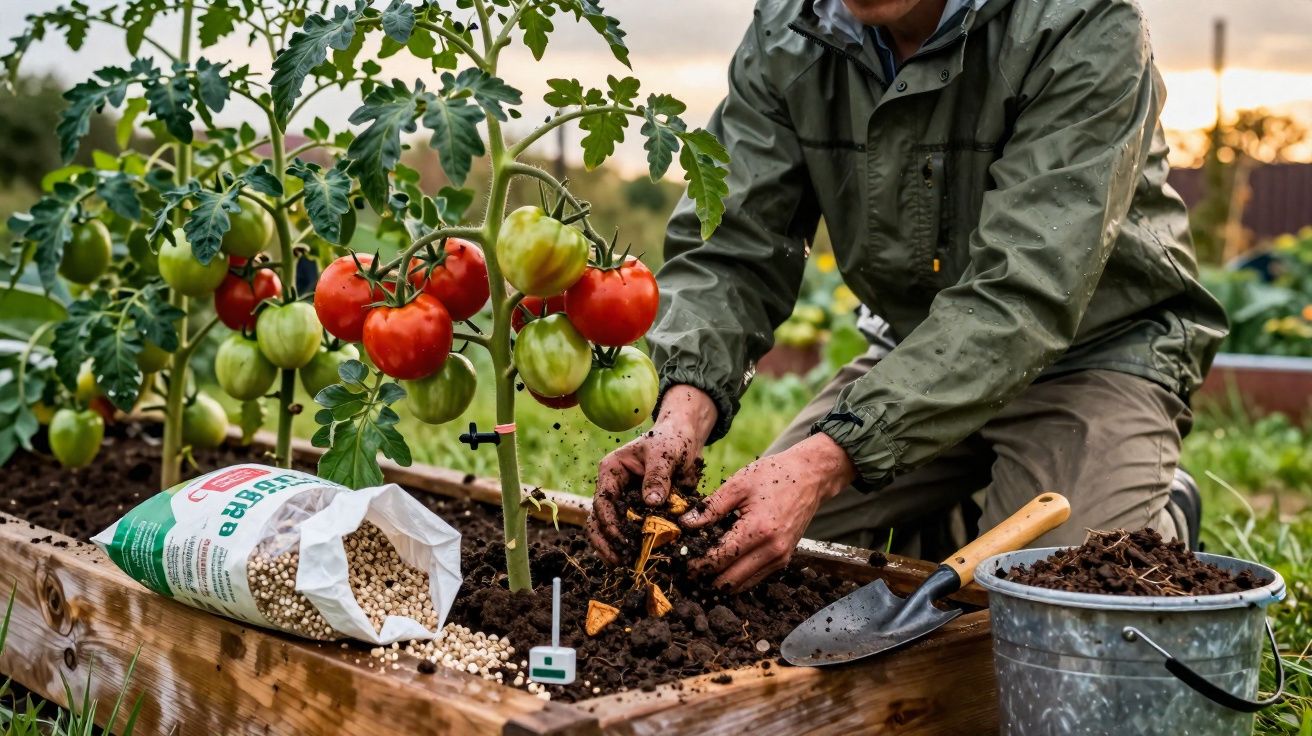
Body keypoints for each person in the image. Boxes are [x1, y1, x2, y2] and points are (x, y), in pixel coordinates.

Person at [587, 0, 1227, 592]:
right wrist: (682, 413)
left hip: (1095, 352)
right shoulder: (792, 33)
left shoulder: (1079, 22)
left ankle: (1161, 513)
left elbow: (1025, 293)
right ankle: (943, 519)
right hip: (916, 354)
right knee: (751, 556)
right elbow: (733, 247)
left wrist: (823, 463)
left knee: (1050, 587)